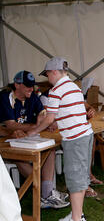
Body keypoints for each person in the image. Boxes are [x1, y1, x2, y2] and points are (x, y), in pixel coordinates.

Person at [27, 57, 93, 221]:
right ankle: (77, 214)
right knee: (79, 177)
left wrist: (34, 131)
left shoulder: (56, 90)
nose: (47, 78)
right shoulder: (74, 87)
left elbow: (50, 118)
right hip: (85, 135)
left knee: (75, 179)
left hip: (75, 139)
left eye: (47, 74)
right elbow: (65, 114)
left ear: (54, 72)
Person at [0, 71, 69, 209]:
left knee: (50, 149)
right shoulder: (4, 97)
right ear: (17, 85)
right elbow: (11, 125)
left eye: (32, 85)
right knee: (20, 157)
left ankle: (46, 192)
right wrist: (36, 126)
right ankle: (45, 193)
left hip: (25, 137)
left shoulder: (32, 96)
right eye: (27, 86)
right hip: (6, 140)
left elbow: (43, 113)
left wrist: (47, 121)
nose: (31, 89)